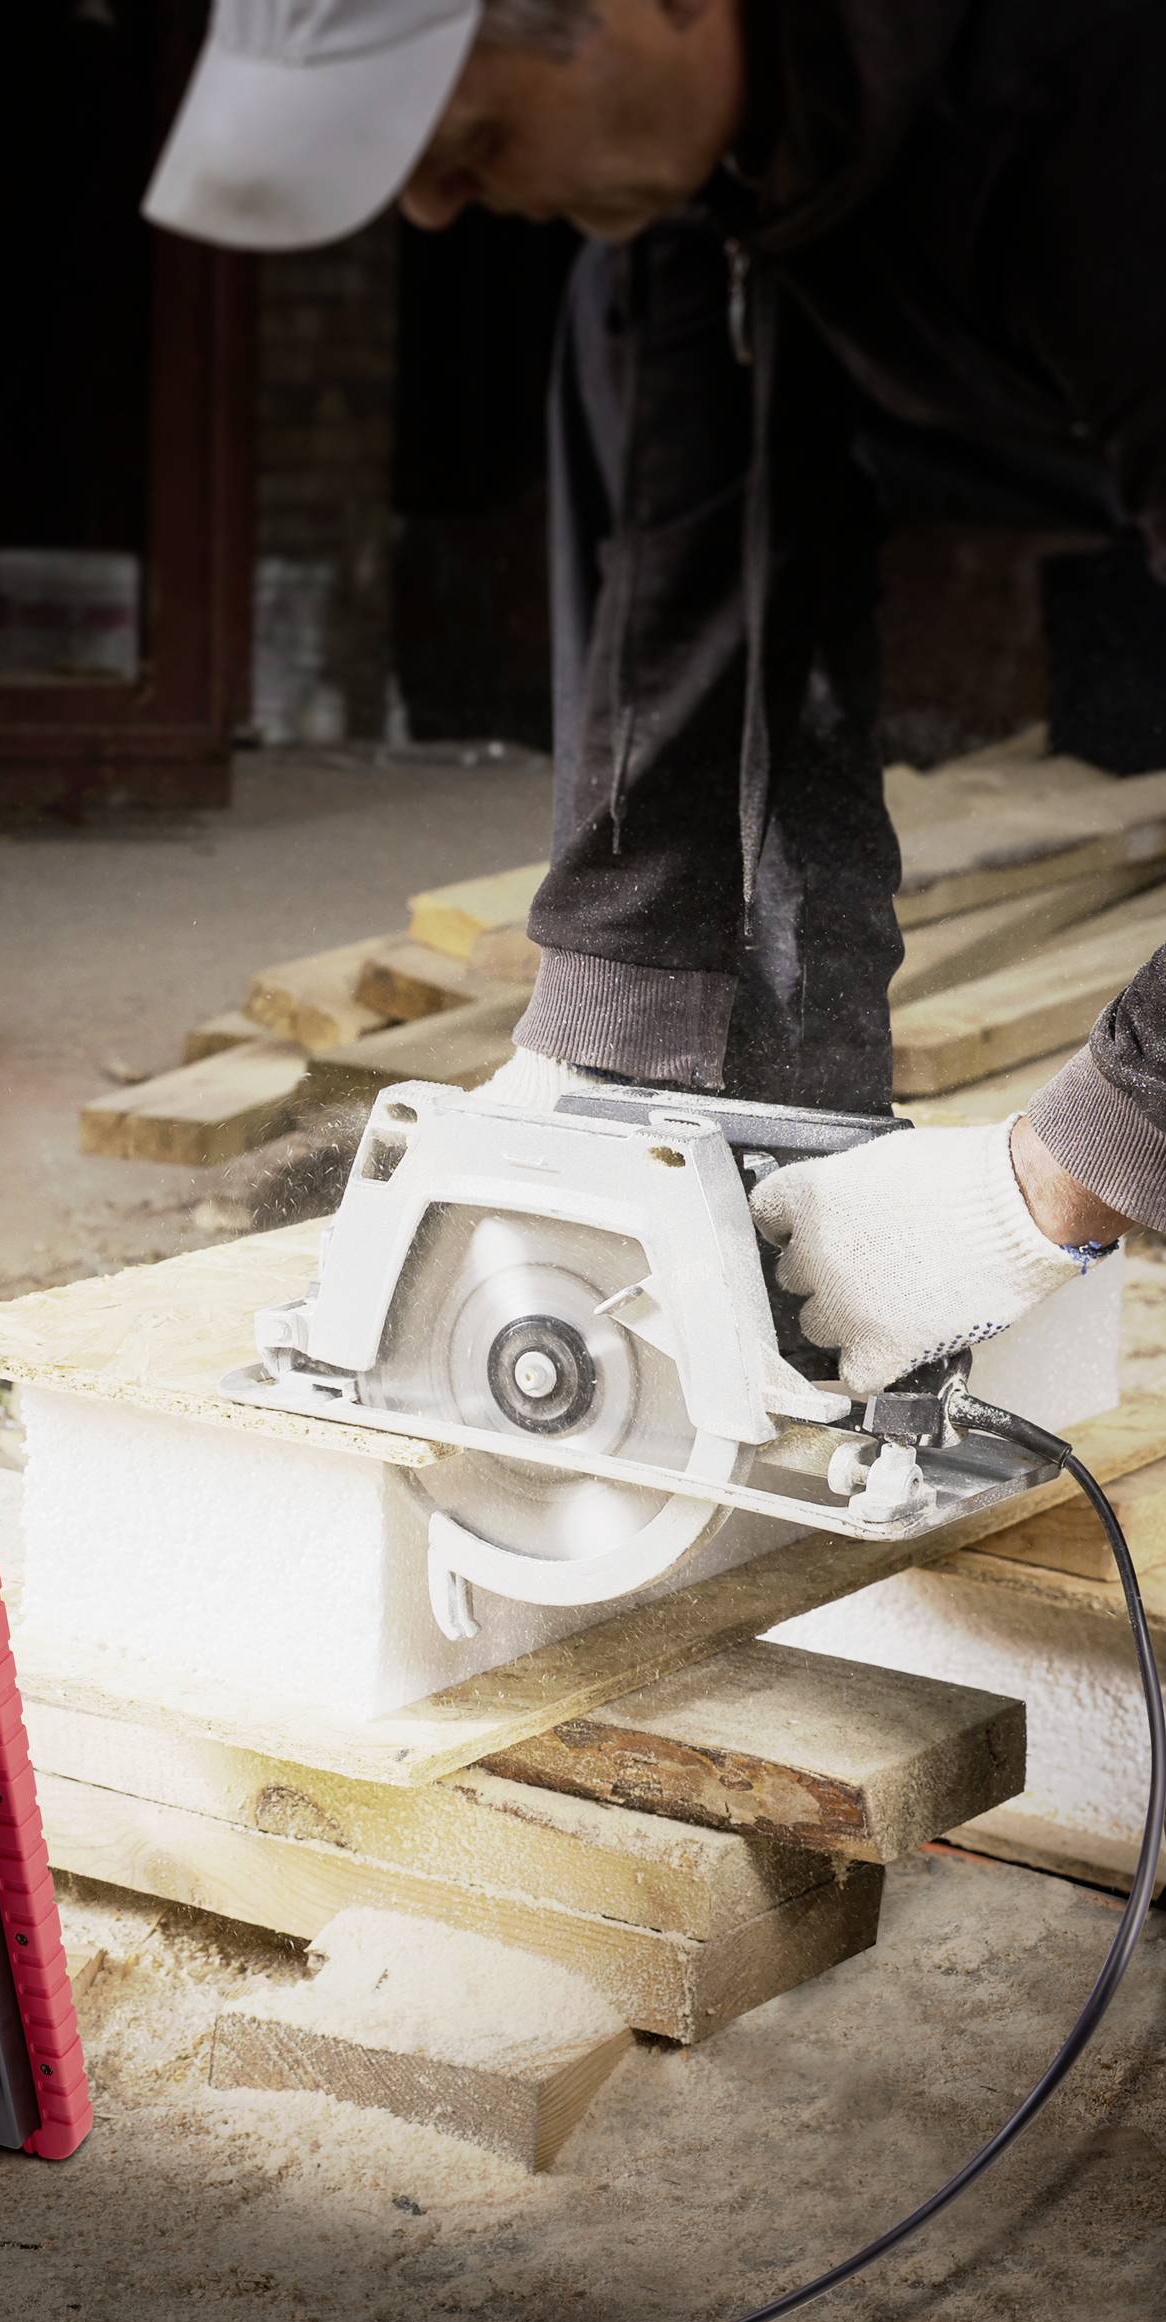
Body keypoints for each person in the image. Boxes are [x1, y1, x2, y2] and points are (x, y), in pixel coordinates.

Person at [143, 0, 1163, 1392]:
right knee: (620, 313)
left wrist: (1060, 1173)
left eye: (474, 132)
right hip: (992, 310)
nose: (432, 206)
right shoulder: (695, 195)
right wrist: (608, 1049)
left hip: (1083, 258)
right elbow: (706, 568)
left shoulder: (1095, 100)